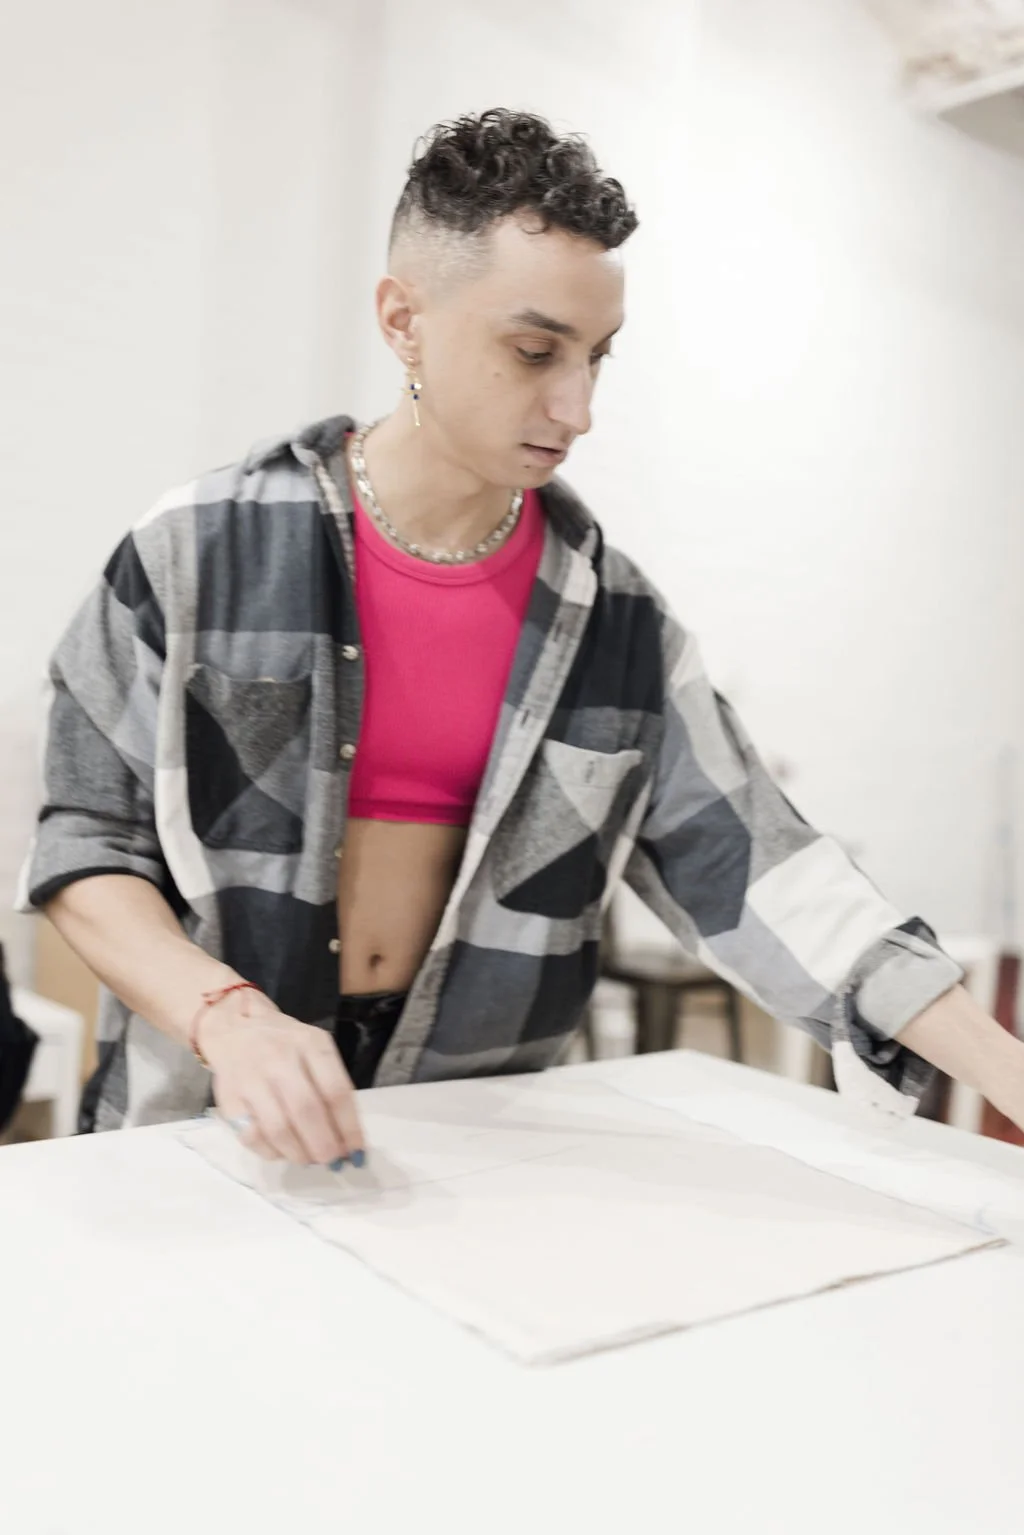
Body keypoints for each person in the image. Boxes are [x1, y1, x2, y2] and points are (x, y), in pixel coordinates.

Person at [18, 109, 1024, 1167]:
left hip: (466, 1152)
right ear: (403, 320)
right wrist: (229, 1016)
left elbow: (765, 870)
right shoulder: (199, 551)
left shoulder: (619, 628)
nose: (577, 407)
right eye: (535, 350)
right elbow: (88, 843)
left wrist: (1005, 1068)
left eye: (597, 356)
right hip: (202, 1125)